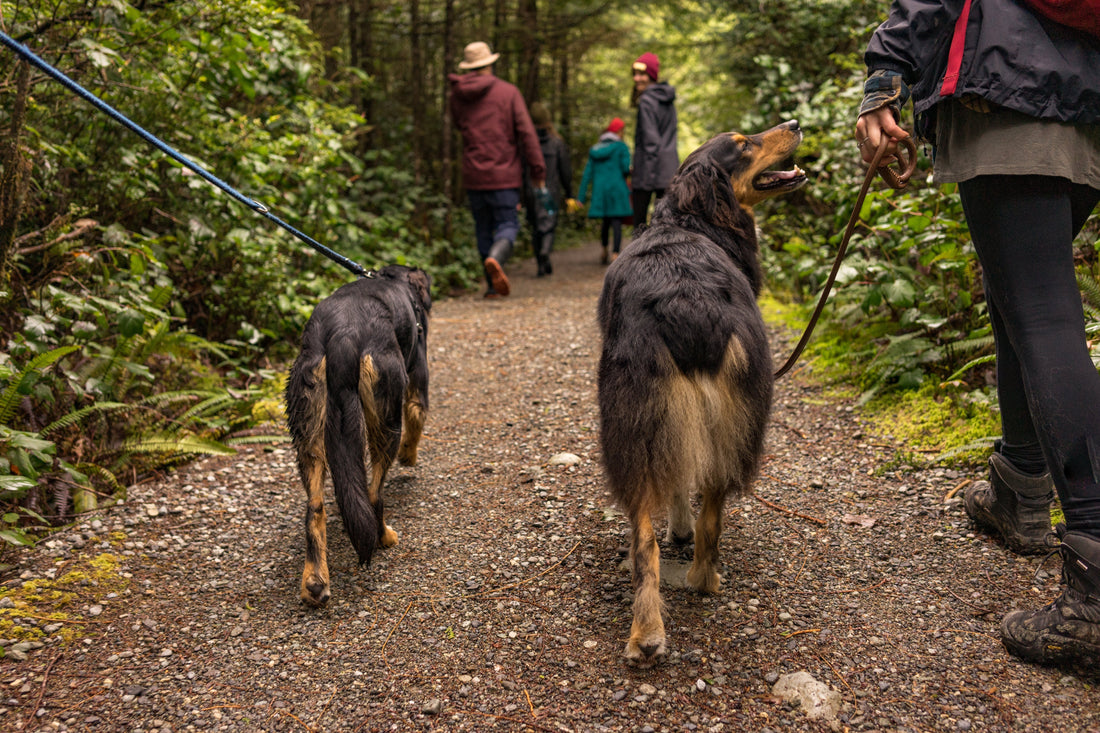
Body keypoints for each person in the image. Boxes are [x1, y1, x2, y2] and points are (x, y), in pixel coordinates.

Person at [857, 0, 1100, 669]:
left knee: (1045, 312)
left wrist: (885, 74)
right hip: (1088, 92)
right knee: (1020, 291)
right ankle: (1020, 486)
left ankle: (1094, 579)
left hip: (1009, 81)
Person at [449, 41, 546, 298]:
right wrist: (538, 170)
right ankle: (496, 258)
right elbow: (527, 133)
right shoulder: (508, 92)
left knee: (483, 227)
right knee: (507, 224)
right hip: (504, 174)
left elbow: (460, 126)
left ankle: (491, 286)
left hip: (473, 174)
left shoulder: (457, 94)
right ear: (489, 64)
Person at [630, 51, 679, 234]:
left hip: (648, 173)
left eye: (641, 74)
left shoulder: (647, 101)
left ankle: (637, 262)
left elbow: (651, 143)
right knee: (666, 228)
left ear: (651, 75)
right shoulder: (667, 99)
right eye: (635, 74)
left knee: (640, 229)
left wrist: (644, 177)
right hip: (668, 171)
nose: (636, 78)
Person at [523, 101, 574, 277]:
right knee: (549, 226)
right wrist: (569, 193)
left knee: (536, 226)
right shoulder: (556, 143)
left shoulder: (526, 143)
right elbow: (565, 171)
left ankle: (540, 264)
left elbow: (521, 168)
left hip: (530, 190)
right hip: (550, 190)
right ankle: (545, 251)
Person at [577, 117, 633, 264]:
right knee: (616, 222)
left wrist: (580, 197)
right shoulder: (621, 147)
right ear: (619, 131)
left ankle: (604, 249)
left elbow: (587, 173)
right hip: (617, 190)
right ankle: (615, 253)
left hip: (601, 192)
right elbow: (625, 168)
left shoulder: (596, 149)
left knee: (605, 222)